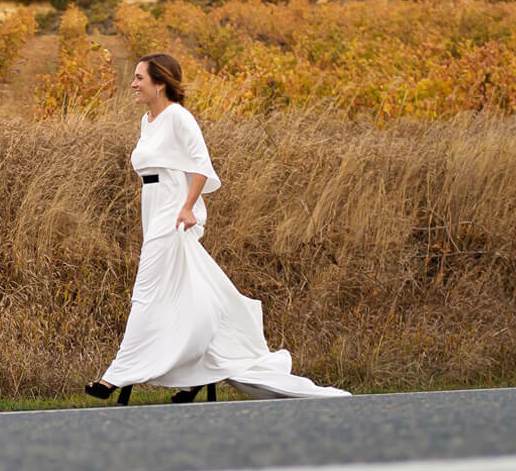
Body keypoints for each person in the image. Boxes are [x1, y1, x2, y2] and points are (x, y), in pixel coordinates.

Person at [84, 54, 350, 405]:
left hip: (173, 210)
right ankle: (198, 373)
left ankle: (115, 375)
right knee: (185, 292)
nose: (133, 84)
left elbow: (202, 167)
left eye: (139, 78)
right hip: (153, 206)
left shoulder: (179, 117)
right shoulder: (148, 121)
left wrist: (187, 206)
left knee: (146, 291)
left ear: (159, 83)